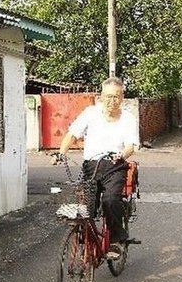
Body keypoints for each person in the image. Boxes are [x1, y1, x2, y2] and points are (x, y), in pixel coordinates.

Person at [54, 77, 139, 260]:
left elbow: (131, 145)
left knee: (110, 199)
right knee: (85, 209)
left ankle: (116, 239)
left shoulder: (128, 118)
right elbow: (72, 134)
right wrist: (61, 152)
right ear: (101, 96)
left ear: (122, 97)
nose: (112, 101)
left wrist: (122, 155)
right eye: (108, 96)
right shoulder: (90, 113)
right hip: (91, 167)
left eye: (116, 96)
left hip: (115, 167)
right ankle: (88, 239)